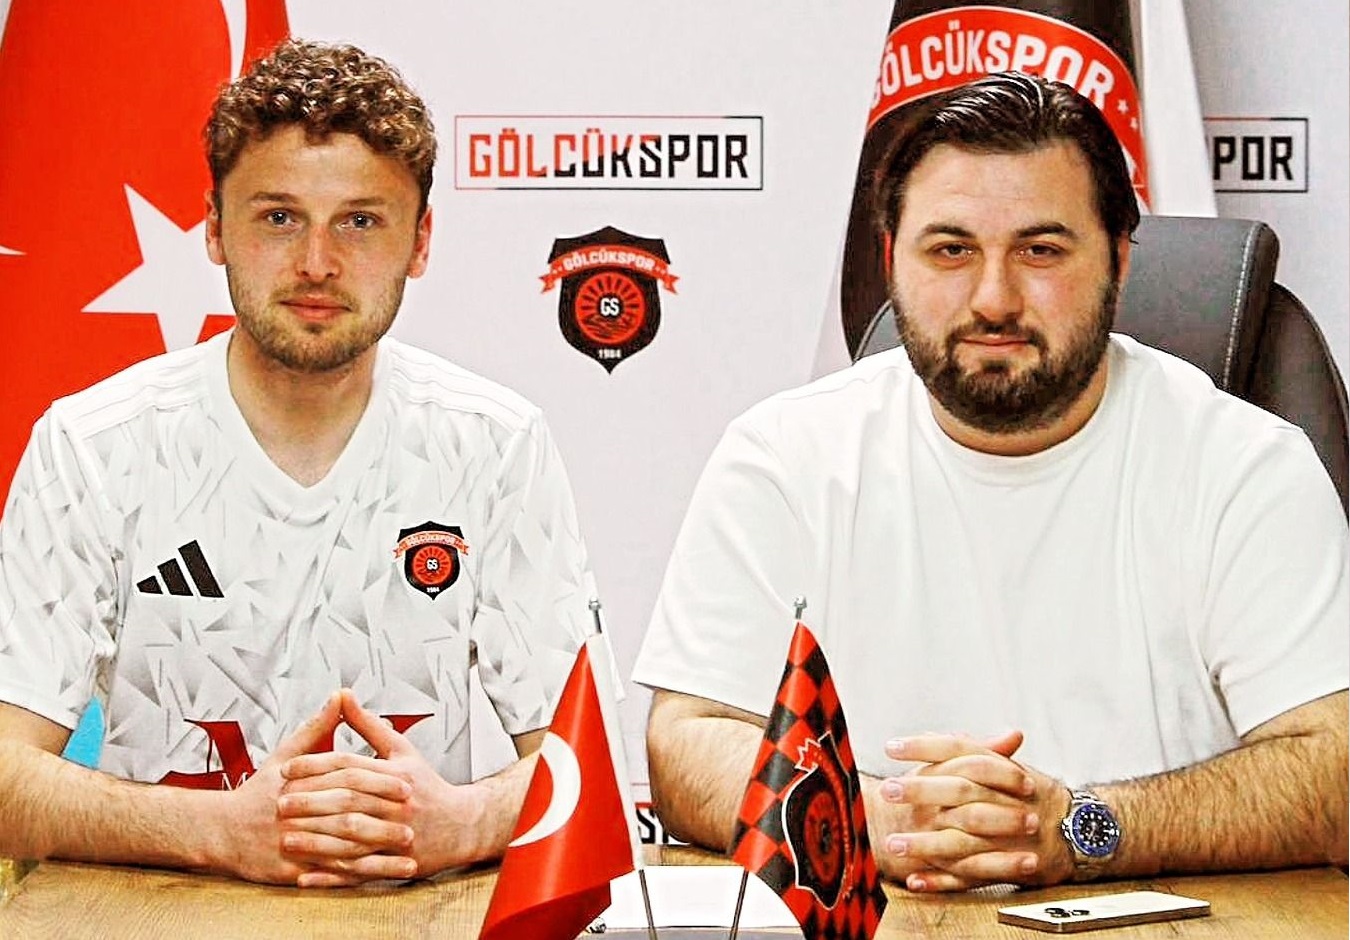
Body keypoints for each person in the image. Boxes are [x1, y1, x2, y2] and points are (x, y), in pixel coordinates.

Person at [633, 72, 1348, 892]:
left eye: (1041, 251)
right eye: (951, 250)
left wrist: (1081, 827)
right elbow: (686, 741)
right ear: (890, 261)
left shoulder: (1245, 466)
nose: (993, 298)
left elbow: (1337, 769)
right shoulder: (784, 457)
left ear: (1118, 261)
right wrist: (877, 820)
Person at [0, 39, 597, 887]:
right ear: (215, 229)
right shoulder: (93, 445)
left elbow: (586, 764)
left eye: (360, 221)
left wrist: (461, 822)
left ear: (420, 242)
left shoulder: (495, 443)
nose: (318, 262)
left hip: (418, 912)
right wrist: (219, 832)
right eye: (279, 217)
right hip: (153, 911)